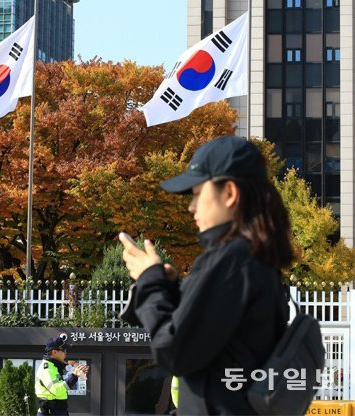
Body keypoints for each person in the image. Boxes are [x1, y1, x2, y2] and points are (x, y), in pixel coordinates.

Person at [120, 135, 295, 415]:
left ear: (229, 193)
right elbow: (213, 342)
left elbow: (173, 352)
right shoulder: (255, 259)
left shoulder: (230, 260)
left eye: (198, 194)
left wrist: (150, 280)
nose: (191, 207)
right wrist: (169, 289)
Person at [35, 336, 88, 416]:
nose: (66, 353)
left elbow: (63, 368)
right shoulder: (47, 369)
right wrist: (74, 375)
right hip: (50, 412)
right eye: (64, 350)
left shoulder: (53, 366)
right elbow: (57, 390)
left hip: (57, 410)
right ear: (54, 352)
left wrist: (74, 367)